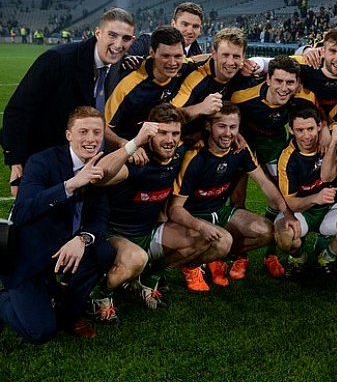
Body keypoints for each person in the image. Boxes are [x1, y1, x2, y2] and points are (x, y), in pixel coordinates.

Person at [88, 104, 224, 320]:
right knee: (136, 258)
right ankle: (99, 295)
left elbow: (212, 137)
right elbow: (99, 176)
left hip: (149, 233)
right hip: (115, 236)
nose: (169, 139)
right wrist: (132, 145)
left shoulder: (178, 155)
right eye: (162, 133)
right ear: (149, 132)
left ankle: (147, 280)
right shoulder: (137, 160)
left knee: (212, 239)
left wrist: (236, 139)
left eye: (174, 133)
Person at [0, 107, 115, 343]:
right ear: (68, 135)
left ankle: (67, 312)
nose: (91, 139)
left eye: (97, 132)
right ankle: (5, 299)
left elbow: (100, 218)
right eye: (83, 132)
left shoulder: (100, 163)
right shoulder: (42, 161)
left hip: (63, 249)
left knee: (103, 252)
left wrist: (82, 239)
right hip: (29, 259)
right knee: (40, 332)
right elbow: (21, 212)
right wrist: (71, 185)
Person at [1, 8, 135, 196]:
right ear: (97, 33)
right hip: (46, 157)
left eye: (126, 39)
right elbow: (19, 110)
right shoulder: (58, 60)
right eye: (112, 35)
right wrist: (16, 163)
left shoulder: (117, 65)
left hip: (83, 159)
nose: (118, 44)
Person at [170, 102, 300, 291]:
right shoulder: (194, 156)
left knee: (265, 230)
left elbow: (264, 182)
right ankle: (191, 265)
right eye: (221, 126)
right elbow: (175, 209)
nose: (228, 133)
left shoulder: (239, 149)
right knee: (224, 243)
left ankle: (212, 257)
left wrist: (287, 213)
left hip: (219, 210)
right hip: (192, 216)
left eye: (233, 127)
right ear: (208, 126)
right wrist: (199, 225)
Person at [276, 105, 337, 276]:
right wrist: (315, 198)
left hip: (328, 209)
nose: (307, 136)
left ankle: (328, 255)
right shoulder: (287, 159)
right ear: (291, 130)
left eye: (311, 129)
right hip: (302, 211)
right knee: (284, 238)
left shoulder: (329, 135)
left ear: (319, 126)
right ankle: (299, 257)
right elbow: (291, 203)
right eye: (300, 130)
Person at [105, 26, 191, 157]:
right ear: (152, 52)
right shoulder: (127, 86)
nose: (173, 63)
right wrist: (126, 145)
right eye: (165, 56)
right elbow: (103, 127)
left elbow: (201, 60)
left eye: (178, 56)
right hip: (129, 150)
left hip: (160, 146)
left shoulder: (183, 68)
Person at [251, 28, 337, 116]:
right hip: (310, 122)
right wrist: (254, 65)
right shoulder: (307, 63)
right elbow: (270, 63)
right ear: (322, 52)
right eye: (332, 51)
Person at [127, 2, 204, 58]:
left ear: (200, 29)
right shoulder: (147, 41)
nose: (190, 31)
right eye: (185, 24)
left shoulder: (199, 56)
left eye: (195, 26)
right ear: (173, 24)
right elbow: (122, 59)